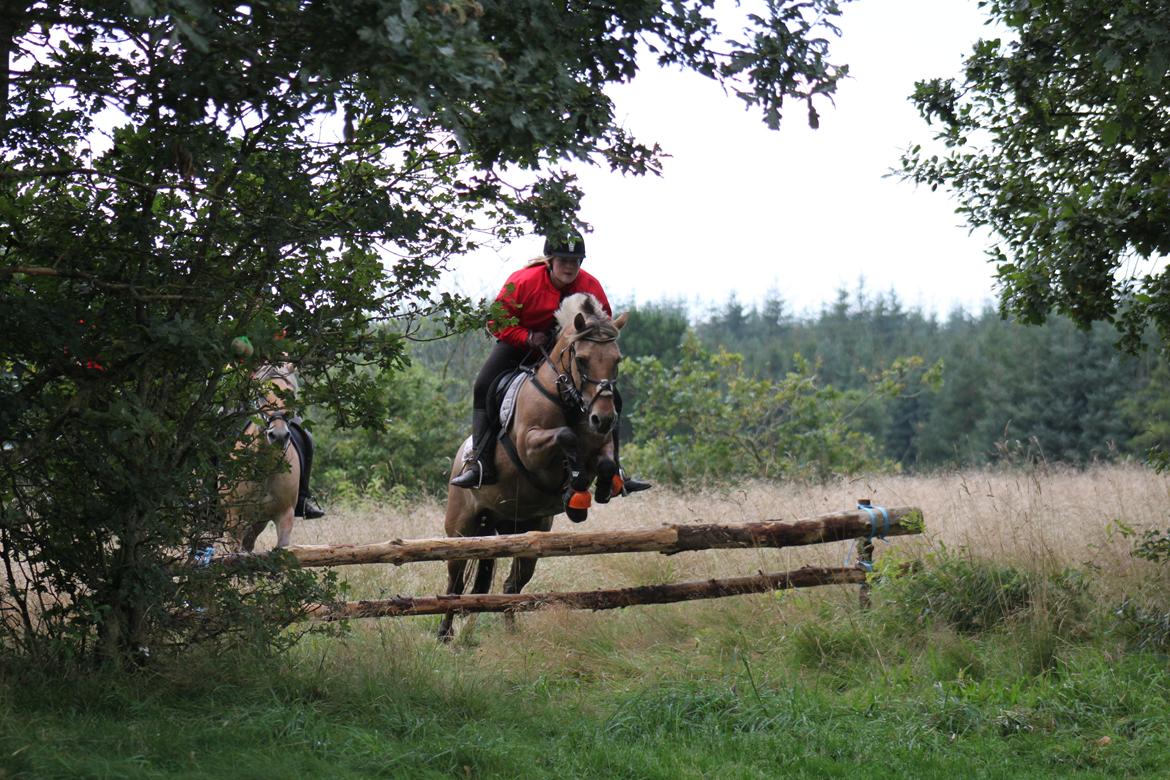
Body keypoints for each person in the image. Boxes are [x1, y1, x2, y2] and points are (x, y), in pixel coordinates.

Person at [450, 232, 651, 494]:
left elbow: (603, 328)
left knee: (612, 396)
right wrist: (527, 336)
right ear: (550, 260)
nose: (569, 267)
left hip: (572, 356)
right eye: (563, 260)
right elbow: (496, 320)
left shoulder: (591, 285)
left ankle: (616, 471)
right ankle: (479, 462)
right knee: (483, 385)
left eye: (575, 261)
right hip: (520, 345)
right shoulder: (524, 281)